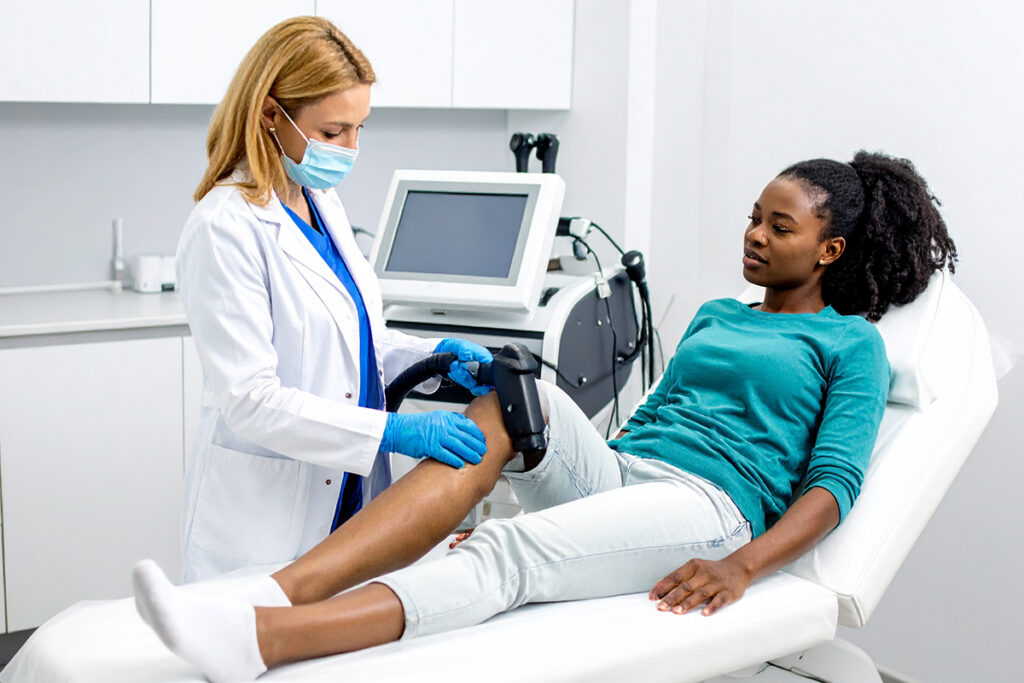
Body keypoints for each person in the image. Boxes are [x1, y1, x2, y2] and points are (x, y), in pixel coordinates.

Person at [135, 151, 958, 682]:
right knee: (505, 405)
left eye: (779, 227)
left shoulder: (851, 345)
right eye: (753, 215)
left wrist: (742, 564)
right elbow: (646, 419)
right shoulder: (717, 312)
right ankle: (277, 591)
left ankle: (264, 641)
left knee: (511, 550)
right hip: (632, 473)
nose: (753, 235)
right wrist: (558, 478)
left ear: (829, 251)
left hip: (711, 507)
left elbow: (833, 486)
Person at [178, 16, 494, 583]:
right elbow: (250, 399)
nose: (350, 149)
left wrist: (432, 360)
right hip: (271, 519)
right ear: (271, 115)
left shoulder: (321, 203)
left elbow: (352, 339)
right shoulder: (224, 226)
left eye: (359, 129)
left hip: (350, 496)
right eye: (331, 133)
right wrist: (390, 431)